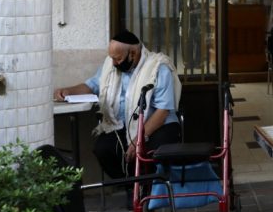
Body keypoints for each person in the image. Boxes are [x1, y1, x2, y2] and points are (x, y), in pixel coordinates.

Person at [53, 29, 182, 181]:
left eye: (118, 59)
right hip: (121, 125)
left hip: (157, 125)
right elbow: (92, 85)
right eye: (112, 58)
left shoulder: (158, 68)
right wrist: (69, 91)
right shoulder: (111, 65)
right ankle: (131, 186)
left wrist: (138, 139)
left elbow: (162, 112)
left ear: (133, 54)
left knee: (152, 150)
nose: (113, 63)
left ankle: (150, 189)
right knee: (103, 149)